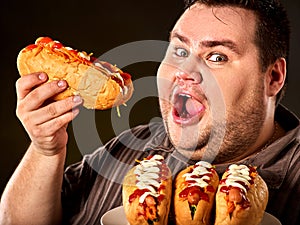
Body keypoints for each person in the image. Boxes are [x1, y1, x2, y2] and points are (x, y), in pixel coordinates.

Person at [0, 0, 299, 224]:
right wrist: (46, 150)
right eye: (180, 51)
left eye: (217, 56)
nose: (184, 72)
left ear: (272, 77)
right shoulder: (135, 145)